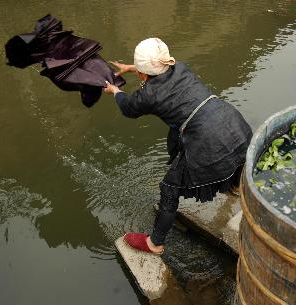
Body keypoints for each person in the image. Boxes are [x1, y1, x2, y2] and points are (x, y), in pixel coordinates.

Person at [104, 38, 252, 255]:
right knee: (237, 153)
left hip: (207, 135)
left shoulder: (148, 95)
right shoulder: (179, 67)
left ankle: (154, 243)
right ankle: (236, 186)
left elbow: (128, 108)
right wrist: (132, 68)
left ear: (144, 75)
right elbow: (159, 70)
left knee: (169, 188)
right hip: (231, 121)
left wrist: (115, 91)